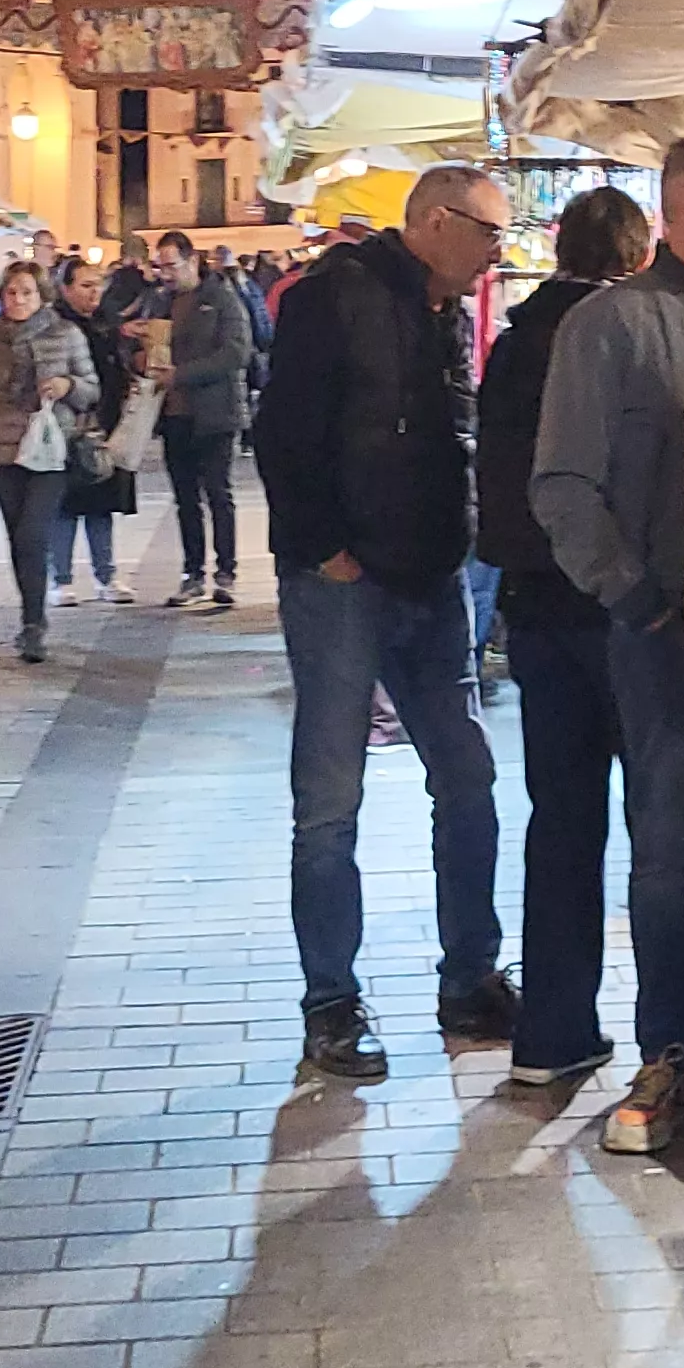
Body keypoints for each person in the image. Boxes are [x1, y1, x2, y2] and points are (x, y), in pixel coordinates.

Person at [532, 127, 684, 1153]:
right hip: (666, 629)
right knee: (667, 847)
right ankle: (667, 1048)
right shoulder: (613, 324)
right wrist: (634, 599)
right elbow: (562, 483)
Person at [257, 165, 519, 1082]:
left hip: (430, 576)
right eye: (489, 232)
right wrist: (327, 547)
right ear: (436, 222)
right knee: (330, 800)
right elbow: (283, 432)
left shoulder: (447, 311)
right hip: (345, 582)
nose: (499, 252)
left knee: (470, 775)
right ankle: (331, 1002)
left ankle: (471, 977)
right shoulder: (335, 298)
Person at [478, 187, 654, 1089]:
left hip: (538, 609)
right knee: (664, 828)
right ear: (636, 257)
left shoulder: (512, 346)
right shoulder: (625, 340)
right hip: (621, 611)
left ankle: (552, 1032)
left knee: (562, 822)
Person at [0, 261, 96, 664]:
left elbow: (92, 388)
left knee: (32, 534)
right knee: (18, 539)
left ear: (42, 295)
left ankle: (34, 623)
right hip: (3, 451)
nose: (18, 300)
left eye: (26, 292)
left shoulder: (66, 333)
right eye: (11, 293)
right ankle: (31, 618)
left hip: (50, 450)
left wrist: (68, 386)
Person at [149, 230, 255, 609]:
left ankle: (226, 573)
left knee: (218, 494)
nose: (165, 274)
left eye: (171, 266)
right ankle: (193, 573)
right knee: (185, 499)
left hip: (216, 413)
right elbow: (149, 349)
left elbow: (235, 354)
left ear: (193, 261)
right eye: (160, 267)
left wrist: (181, 374)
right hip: (175, 415)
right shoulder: (160, 302)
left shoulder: (222, 300)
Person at [50, 256, 140, 607]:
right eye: (86, 285)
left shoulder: (107, 322)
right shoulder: (55, 326)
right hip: (69, 427)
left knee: (102, 504)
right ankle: (61, 579)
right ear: (66, 288)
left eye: (98, 284)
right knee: (65, 505)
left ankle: (107, 575)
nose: (95, 293)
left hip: (107, 426)